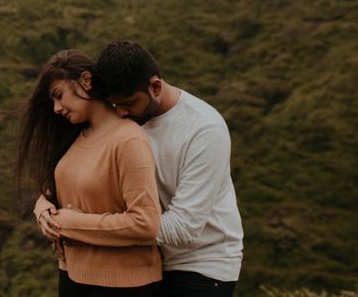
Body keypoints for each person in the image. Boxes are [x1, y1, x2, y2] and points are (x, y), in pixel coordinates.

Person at [91, 40, 244, 296]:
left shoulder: (204, 129)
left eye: (128, 103)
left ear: (155, 86)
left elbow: (184, 227)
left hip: (204, 266)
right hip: (151, 258)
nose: (120, 113)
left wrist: (97, 230)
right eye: (115, 105)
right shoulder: (130, 119)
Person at [15, 49, 163, 296]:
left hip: (124, 284)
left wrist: (70, 224)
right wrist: (42, 211)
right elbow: (56, 190)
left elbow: (145, 223)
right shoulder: (76, 137)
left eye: (59, 96)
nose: (56, 108)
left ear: (85, 81)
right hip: (72, 275)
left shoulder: (128, 140)